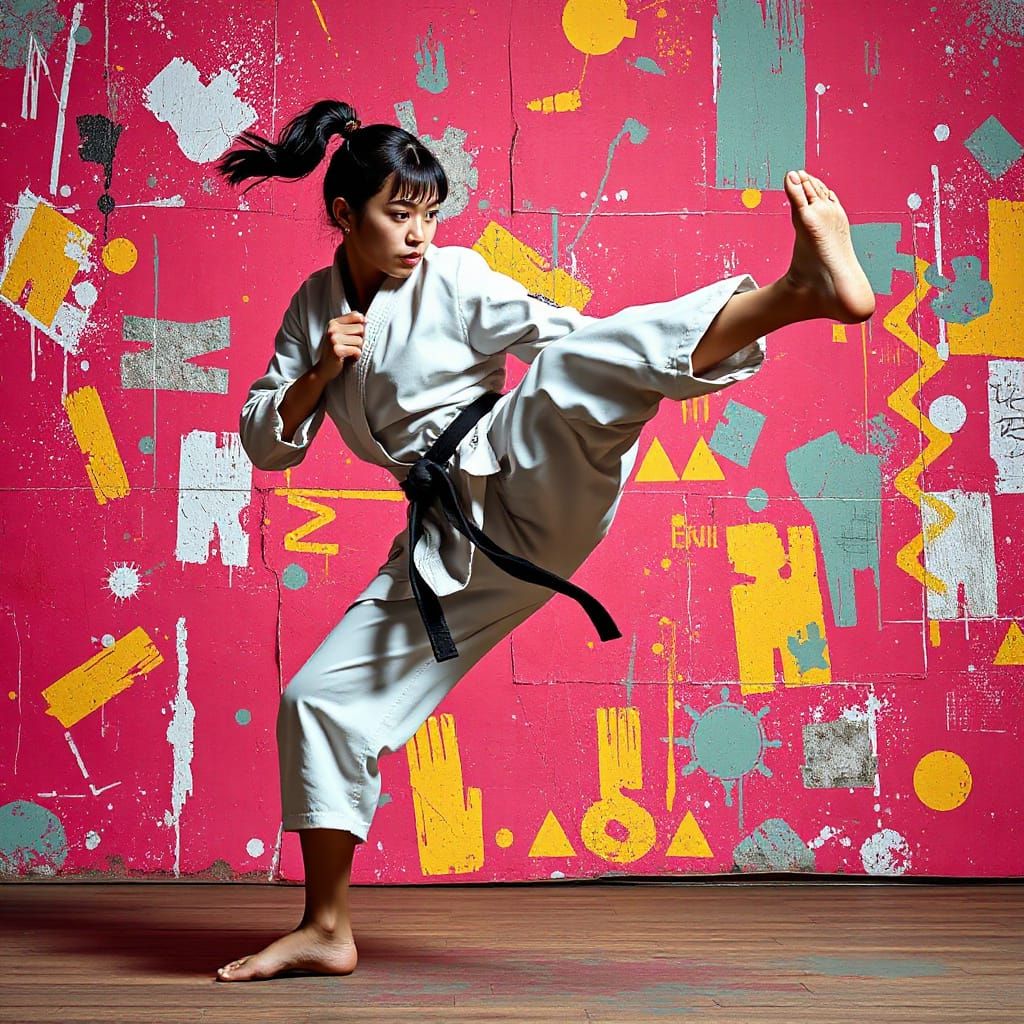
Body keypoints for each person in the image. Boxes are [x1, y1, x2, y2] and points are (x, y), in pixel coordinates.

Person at [212, 98, 874, 982]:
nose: (418, 235)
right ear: (343, 213)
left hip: (529, 469)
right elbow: (265, 441)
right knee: (317, 700)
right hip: (451, 546)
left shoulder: (458, 279)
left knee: (573, 364)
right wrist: (320, 371)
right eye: (397, 215)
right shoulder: (312, 310)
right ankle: (326, 927)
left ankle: (794, 294)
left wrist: (623, 373)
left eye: (429, 214)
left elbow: (569, 336)